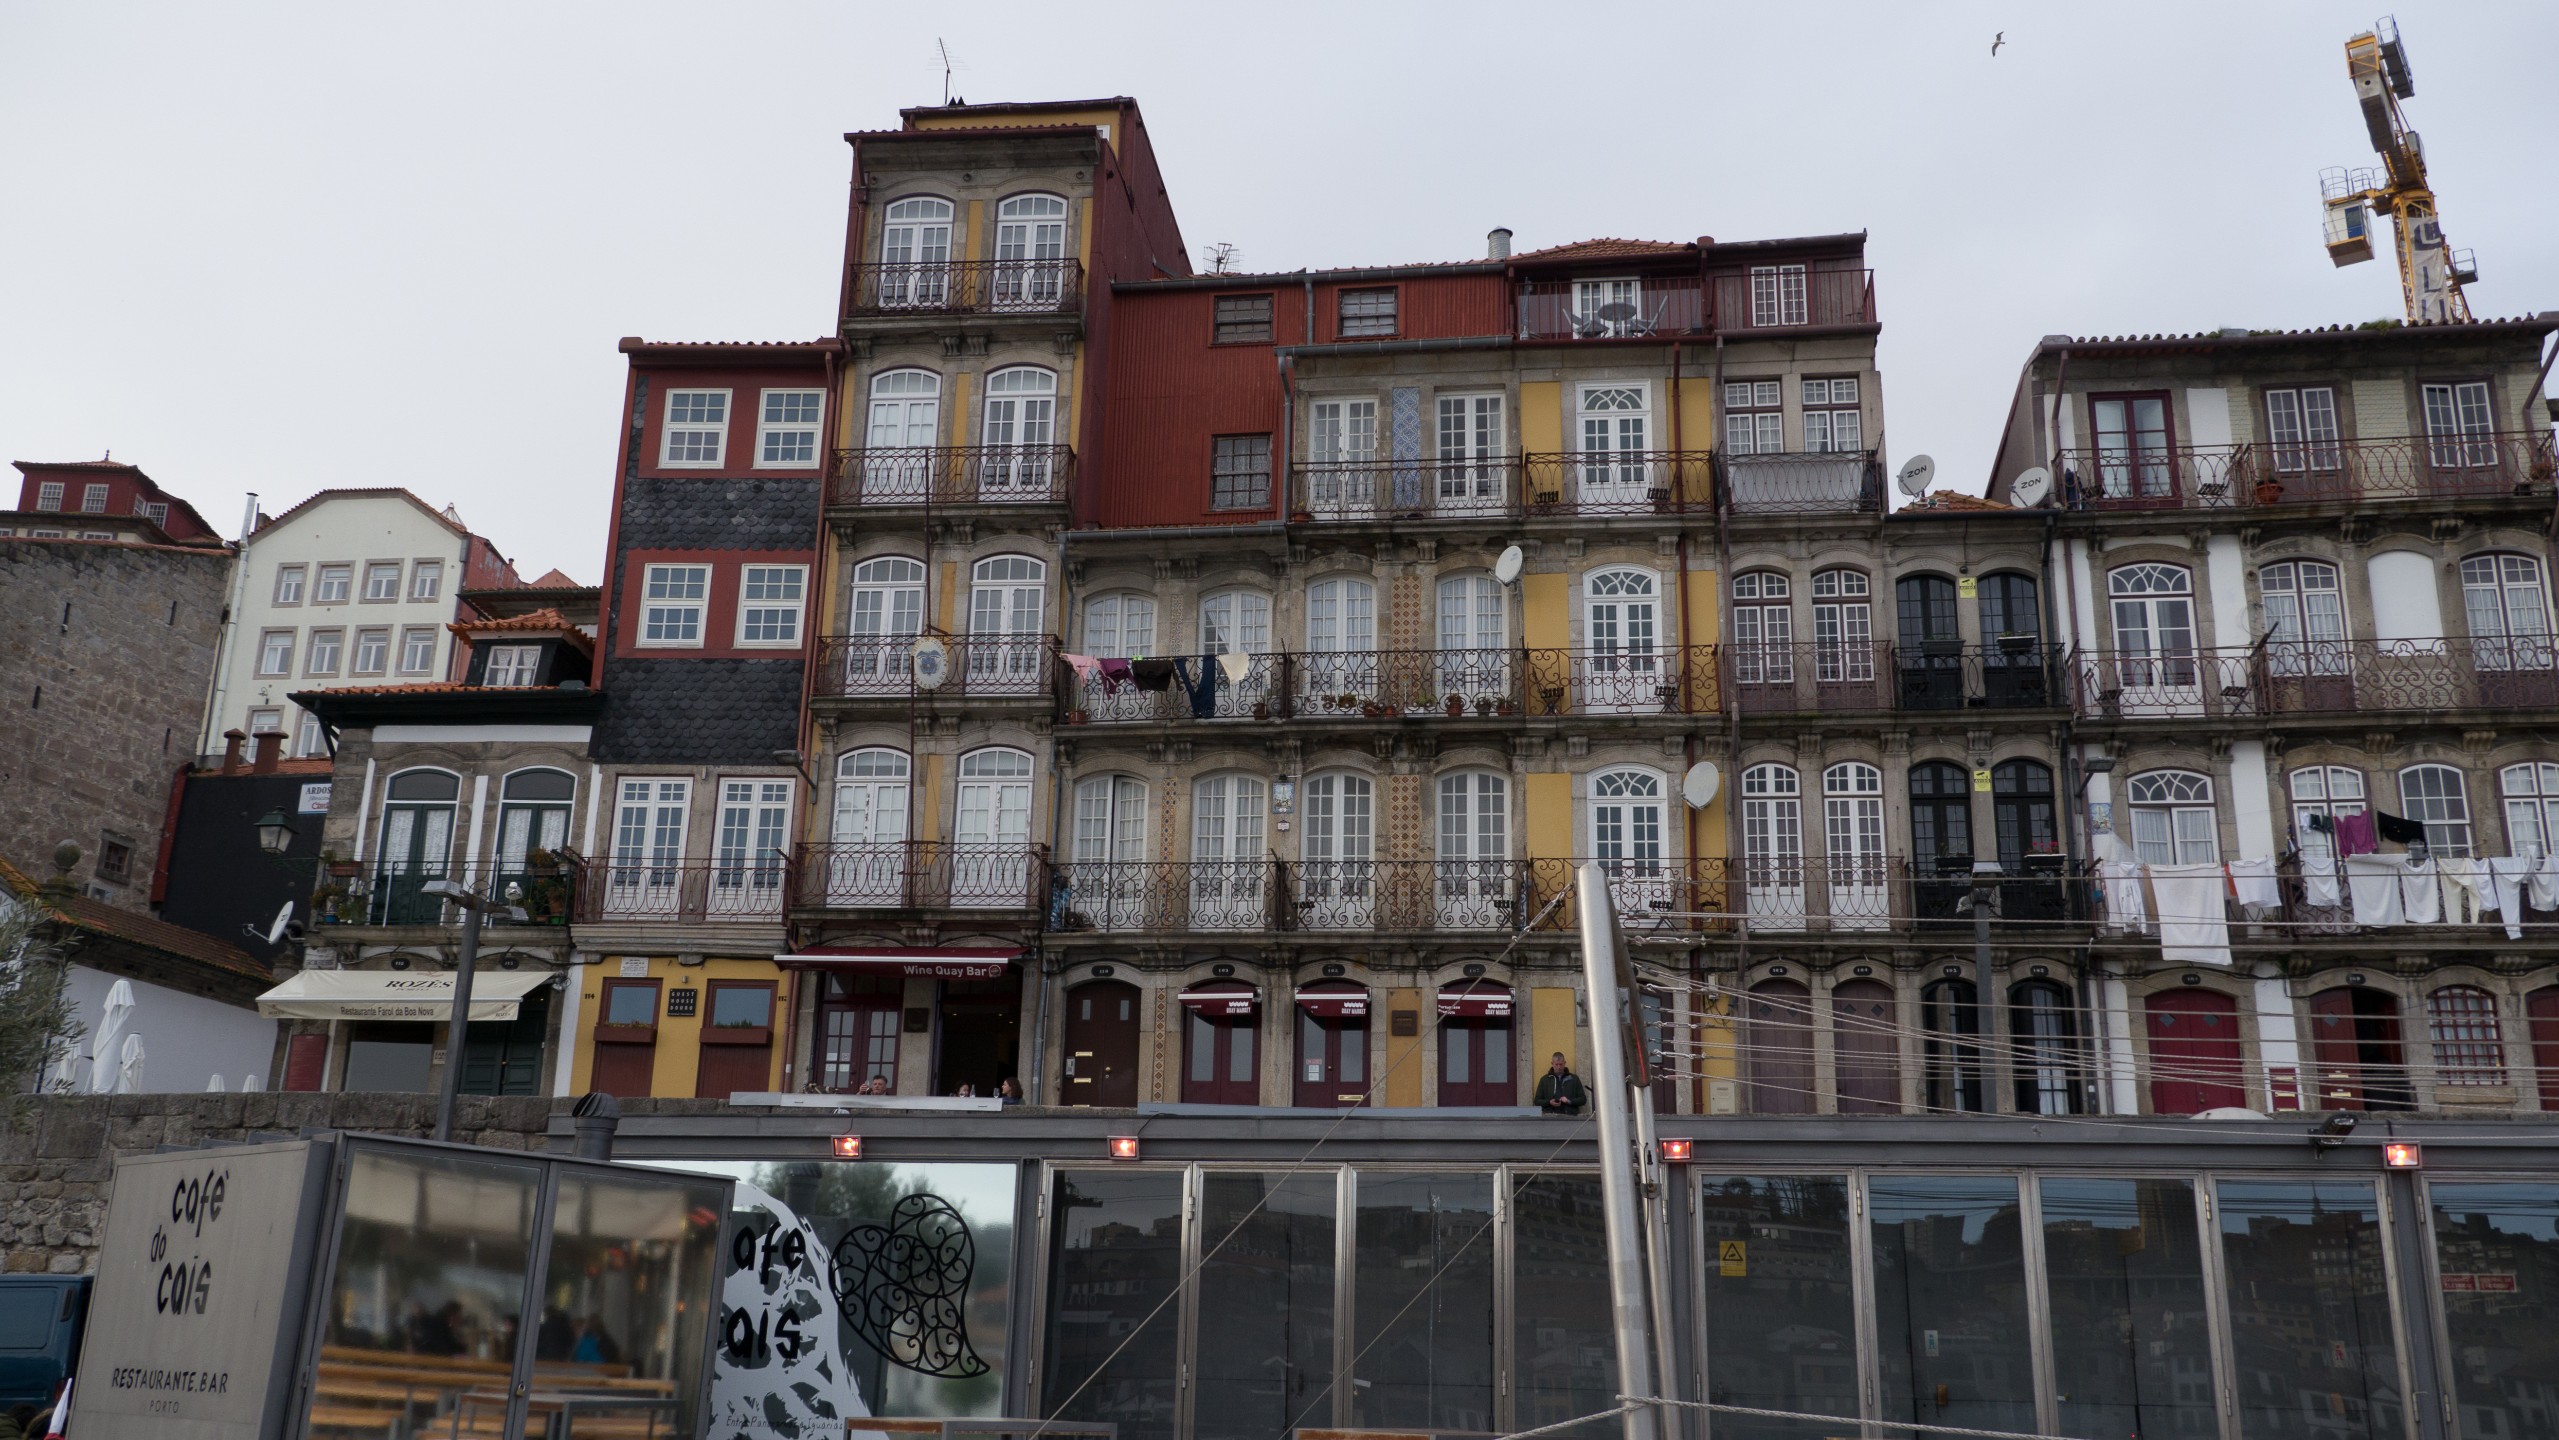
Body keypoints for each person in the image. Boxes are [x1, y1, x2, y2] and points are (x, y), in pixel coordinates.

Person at [1533, 1052, 1587, 1116]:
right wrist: (1549, 1102)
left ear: (1564, 1063)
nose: (1559, 1067)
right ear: (1552, 1064)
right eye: (1556, 1064)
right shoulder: (1545, 1080)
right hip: (1550, 1117)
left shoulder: (1574, 1079)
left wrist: (1569, 1101)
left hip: (1570, 1117)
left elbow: (1583, 1099)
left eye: (1561, 1064)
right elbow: (1537, 1101)